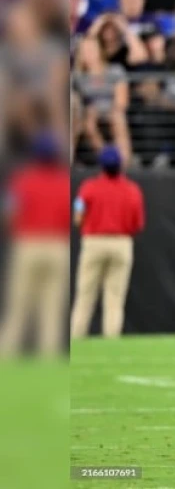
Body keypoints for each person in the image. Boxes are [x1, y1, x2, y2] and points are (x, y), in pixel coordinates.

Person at [0, 135, 71, 358]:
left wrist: (13, 232)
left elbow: (9, 212)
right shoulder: (64, 182)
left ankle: (6, 359)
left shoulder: (22, 180)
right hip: (58, 246)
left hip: (28, 243)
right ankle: (47, 368)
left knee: (18, 306)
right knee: (50, 312)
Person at [71, 146, 145, 339]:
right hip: (121, 243)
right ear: (120, 165)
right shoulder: (132, 190)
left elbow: (78, 213)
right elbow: (138, 224)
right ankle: (111, 343)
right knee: (114, 298)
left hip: (94, 241)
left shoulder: (89, 187)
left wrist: (84, 222)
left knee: (85, 296)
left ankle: (76, 338)